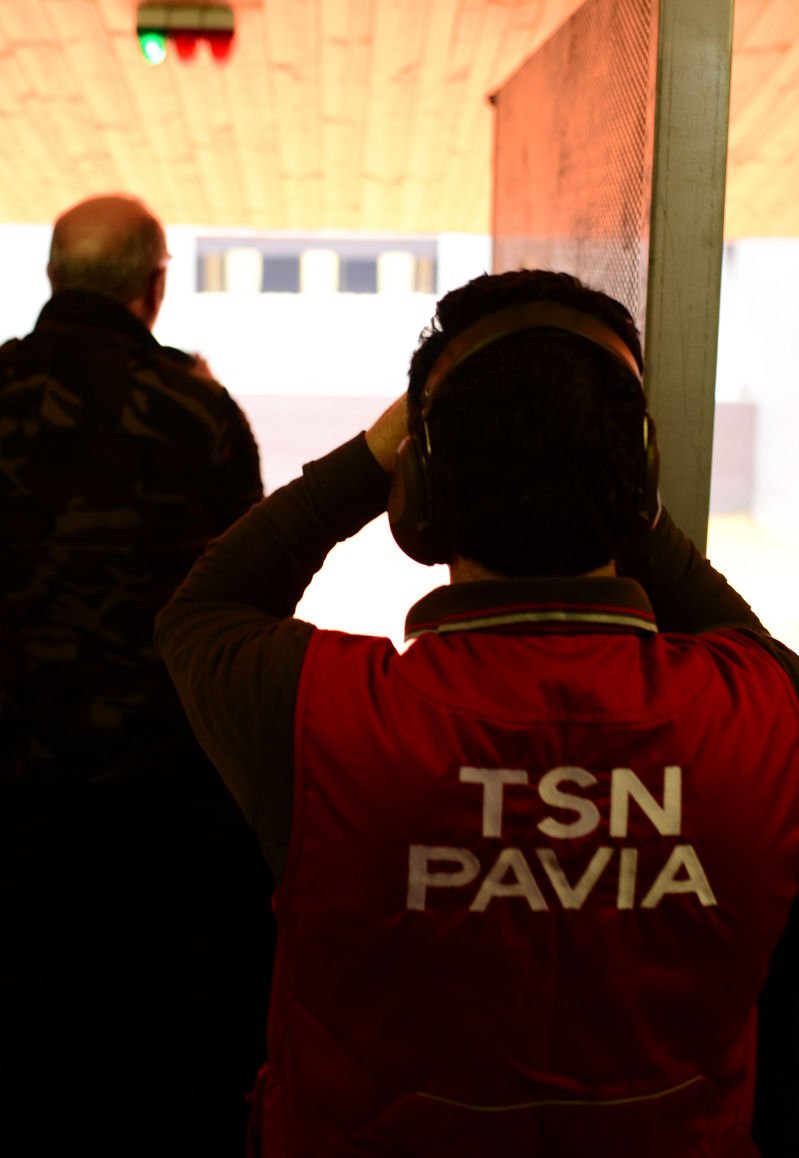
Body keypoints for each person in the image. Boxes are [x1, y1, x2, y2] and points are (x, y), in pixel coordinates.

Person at [155, 268, 799, 1156]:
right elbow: (744, 638)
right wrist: (617, 492)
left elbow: (202, 609)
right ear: (639, 478)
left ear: (420, 491)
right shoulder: (760, 708)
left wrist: (368, 458)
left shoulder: (319, 711)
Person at [0, 194, 274, 1158]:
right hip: (162, 802)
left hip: (11, 794)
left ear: (53, 278)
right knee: (170, 1070)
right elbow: (246, 604)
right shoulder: (196, 413)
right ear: (153, 288)